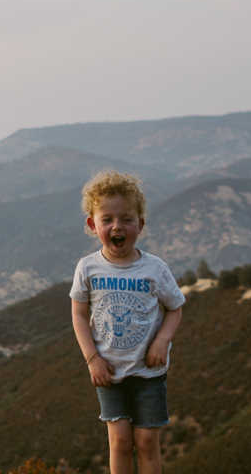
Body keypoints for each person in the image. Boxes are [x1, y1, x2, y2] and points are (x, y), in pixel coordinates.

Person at [70, 170, 185, 474]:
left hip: (148, 371)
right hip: (108, 372)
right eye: (107, 219)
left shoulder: (154, 269)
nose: (117, 226)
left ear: (140, 224)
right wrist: (92, 359)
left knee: (147, 442)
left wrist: (162, 341)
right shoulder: (87, 268)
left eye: (126, 219)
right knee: (119, 442)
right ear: (92, 225)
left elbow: (175, 308)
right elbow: (79, 315)